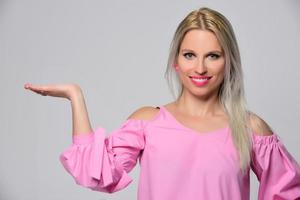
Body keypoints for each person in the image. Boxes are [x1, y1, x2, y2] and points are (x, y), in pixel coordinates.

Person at [24, 6, 300, 200]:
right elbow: (97, 174)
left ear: (229, 63)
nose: (200, 67)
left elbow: (289, 192)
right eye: (190, 55)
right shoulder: (148, 122)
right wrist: (76, 96)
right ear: (176, 62)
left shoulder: (250, 129)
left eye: (213, 56)